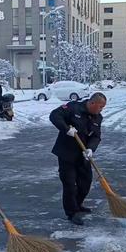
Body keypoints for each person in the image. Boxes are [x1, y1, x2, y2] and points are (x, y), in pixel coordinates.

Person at [49, 92, 107, 225]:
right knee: (69, 184)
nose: (101, 110)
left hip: (83, 155)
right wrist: (66, 128)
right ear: (92, 103)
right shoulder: (73, 108)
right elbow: (54, 115)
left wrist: (91, 149)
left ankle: (77, 204)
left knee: (85, 183)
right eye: (100, 107)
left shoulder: (97, 118)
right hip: (67, 153)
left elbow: (96, 136)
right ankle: (72, 212)